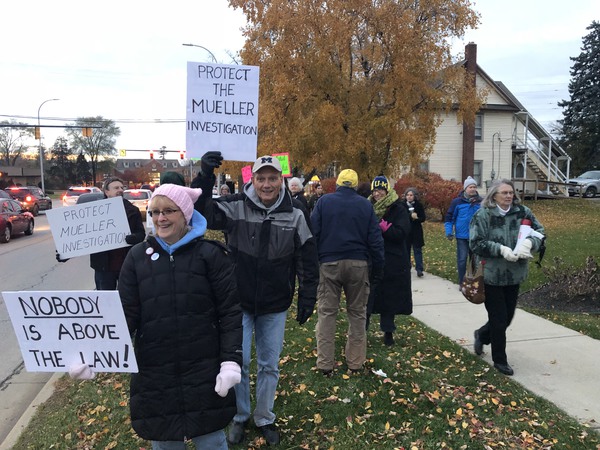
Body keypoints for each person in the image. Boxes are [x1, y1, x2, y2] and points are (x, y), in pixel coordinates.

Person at [191, 152, 319, 446]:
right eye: (261, 178)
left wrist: (307, 296)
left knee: (269, 365)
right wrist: (206, 175)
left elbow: (307, 258)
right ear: (253, 179)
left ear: (281, 180)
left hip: (275, 304)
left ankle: (264, 416)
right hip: (239, 302)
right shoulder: (236, 207)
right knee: (239, 362)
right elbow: (202, 213)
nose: (266, 184)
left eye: (272, 178)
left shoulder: (296, 212)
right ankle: (239, 415)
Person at [117, 184, 243, 449]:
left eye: (168, 211)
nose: (160, 218)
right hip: (155, 372)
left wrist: (230, 361)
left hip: (203, 369)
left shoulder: (211, 255)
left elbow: (229, 312)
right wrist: (93, 355)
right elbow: (124, 316)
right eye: (154, 212)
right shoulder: (137, 258)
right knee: (165, 442)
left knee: (211, 439)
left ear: (185, 214)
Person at [311, 169, 384, 375]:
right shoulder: (365, 205)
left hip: (329, 263)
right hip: (358, 264)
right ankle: (355, 364)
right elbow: (375, 240)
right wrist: (378, 267)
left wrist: (314, 261)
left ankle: (325, 364)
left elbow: (313, 232)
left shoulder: (324, 202)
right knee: (358, 314)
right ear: (355, 185)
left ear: (338, 184)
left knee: (327, 313)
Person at [470, 179, 545, 376]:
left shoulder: (522, 212)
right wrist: (500, 249)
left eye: (511, 192)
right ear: (494, 195)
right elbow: (476, 243)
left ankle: (482, 334)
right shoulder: (484, 214)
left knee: (507, 316)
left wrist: (530, 243)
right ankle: (500, 360)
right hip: (491, 275)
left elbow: (540, 232)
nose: (509, 196)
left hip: (514, 274)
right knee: (499, 318)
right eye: (504, 193)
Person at [57, 177, 145, 289]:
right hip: (103, 267)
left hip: (126, 265)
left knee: (127, 299)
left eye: (122, 187)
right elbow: (83, 236)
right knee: (105, 300)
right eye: (116, 188)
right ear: (106, 191)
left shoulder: (132, 210)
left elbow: (141, 234)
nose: (120, 190)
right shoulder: (95, 212)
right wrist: (66, 253)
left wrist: (133, 238)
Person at [367, 176, 412, 346]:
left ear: (387, 190)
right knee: (368, 295)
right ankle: (361, 330)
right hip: (372, 257)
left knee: (389, 298)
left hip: (392, 259)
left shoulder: (397, 208)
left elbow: (402, 233)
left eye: (380, 190)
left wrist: (383, 226)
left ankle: (388, 332)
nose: (377, 193)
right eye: (375, 190)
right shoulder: (368, 206)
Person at [444, 176, 482, 285]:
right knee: (462, 260)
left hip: (476, 236)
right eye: (470, 187)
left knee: (475, 261)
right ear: (465, 188)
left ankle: (474, 282)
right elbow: (449, 217)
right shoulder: (457, 202)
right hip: (462, 236)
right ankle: (462, 282)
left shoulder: (481, 202)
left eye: (474, 187)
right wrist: (449, 231)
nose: (473, 189)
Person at [404, 187, 426, 277]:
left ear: (414, 196)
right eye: (407, 195)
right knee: (406, 250)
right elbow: (401, 218)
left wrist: (417, 218)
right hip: (406, 231)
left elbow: (423, 218)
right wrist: (409, 217)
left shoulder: (418, 205)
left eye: (411, 195)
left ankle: (419, 269)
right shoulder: (402, 205)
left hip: (416, 231)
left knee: (417, 250)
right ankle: (406, 267)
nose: (409, 197)